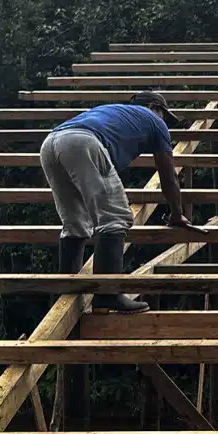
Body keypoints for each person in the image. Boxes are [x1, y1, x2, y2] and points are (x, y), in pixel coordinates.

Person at [38, 89, 203, 312]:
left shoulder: (115, 112)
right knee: (115, 218)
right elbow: (168, 175)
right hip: (83, 143)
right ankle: (108, 295)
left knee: (75, 222)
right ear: (155, 107)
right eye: (164, 115)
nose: (165, 122)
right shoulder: (155, 121)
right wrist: (177, 213)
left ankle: (67, 288)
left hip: (51, 143)